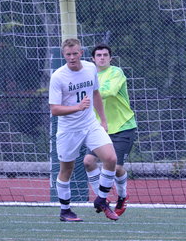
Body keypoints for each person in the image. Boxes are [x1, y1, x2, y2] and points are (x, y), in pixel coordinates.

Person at [49, 38, 119, 222]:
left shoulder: (90, 68)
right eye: (68, 54)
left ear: (81, 53)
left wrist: (103, 120)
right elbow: (54, 109)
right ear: (64, 55)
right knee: (66, 170)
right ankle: (65, 211)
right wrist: (77, 107)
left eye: (75, 53)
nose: (72, 57)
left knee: (111, 158)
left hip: (90, 125)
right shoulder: (58, 76)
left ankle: (101, 200)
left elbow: (95, 93)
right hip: (69, 130)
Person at [83, 44, 137, 217]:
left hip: (122, 126)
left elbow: (110, 91)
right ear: (93, 59)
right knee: (88, 162)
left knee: (117, 168)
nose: (102, 58)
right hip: (99, 129)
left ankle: (122, 195)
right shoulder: (88, 76)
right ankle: (102, 198)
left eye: (105, 55)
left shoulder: (116, 72)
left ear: (110, 58)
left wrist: (86, 92)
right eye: (98, 55)